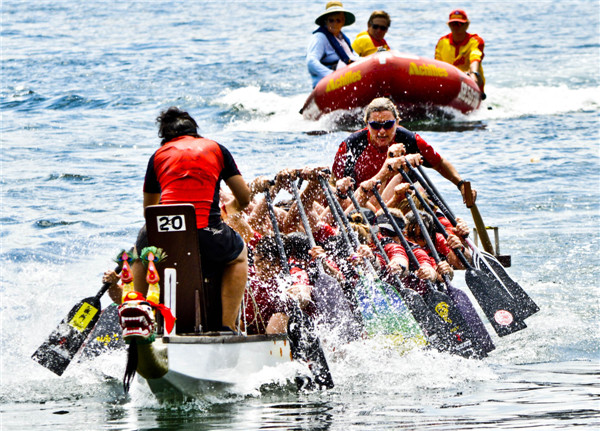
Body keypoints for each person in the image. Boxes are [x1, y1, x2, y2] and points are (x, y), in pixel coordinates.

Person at [140, 107, 252, 333]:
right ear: (194, 131)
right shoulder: (217, 148)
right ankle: (227, 325)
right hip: (207, 232)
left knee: (139, 255)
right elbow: (245, 197)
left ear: (165, 136)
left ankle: (142, 319)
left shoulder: (158, 155)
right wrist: (228, 209)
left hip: (164, 233)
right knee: (239, 256)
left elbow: (150, 212)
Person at [332, 97, 477, 205]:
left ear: (397, 122)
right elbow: (337, 185)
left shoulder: (410, 140)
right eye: (375, 125)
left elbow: (439, 164)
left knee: (423, 192)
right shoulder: (352, 145)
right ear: (366, 124)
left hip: (403, 199)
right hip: (363, 204)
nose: (382, 131)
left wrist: (461, 184)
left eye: (388, 124)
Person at [307, 1, 359, 88]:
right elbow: (311, 61)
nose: (335, 24)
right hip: (328, 86)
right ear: (325, 21)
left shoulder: (343, 39)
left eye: (338, 20)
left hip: (346, 80)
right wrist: (332, 76)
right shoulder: (320, 37)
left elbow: (353, 57)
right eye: (331, 20)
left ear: (343, 22)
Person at [435, 9, 485, 93]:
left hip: (471, 81)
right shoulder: (442, 42)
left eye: (459, 24)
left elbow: (475, 58)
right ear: (449, 25)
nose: (456, 27)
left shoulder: (475, 41)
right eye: (453, 24)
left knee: (473, 74)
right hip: (448, 83)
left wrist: (473, 73)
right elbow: (438, 64)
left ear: (466, 25)